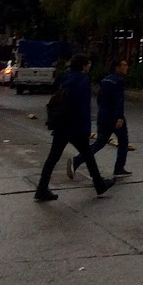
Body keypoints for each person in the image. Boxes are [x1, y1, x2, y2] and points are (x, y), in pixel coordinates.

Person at [35, 55, 112, 201]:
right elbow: (82, 107)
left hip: (62, 124)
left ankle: (42, 188)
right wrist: (86, 128)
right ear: (83, 66)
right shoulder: (82, 80)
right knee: (88, 155)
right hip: (76, 126)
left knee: (53, 158)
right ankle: (99, 184)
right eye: (88, 64)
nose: (89, 67)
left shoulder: (66, 77)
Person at [72, 58, 131, 180]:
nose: (126, 67)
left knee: (100, 142)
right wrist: (119, 117)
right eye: (124, 65)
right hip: (114, 116)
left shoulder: (105, 80)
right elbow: (118, 101)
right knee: (123, 140)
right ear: (117, 67)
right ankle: (119, 167)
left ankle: (77, 160)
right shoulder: (118, 81)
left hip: (103, 115)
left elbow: (100, 98)